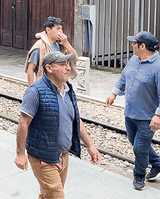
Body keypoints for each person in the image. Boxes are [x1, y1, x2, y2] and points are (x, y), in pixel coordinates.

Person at [15, 51, 101, 198]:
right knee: (56, 195)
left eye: (68, 64)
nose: (68, 68)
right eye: (62, 64)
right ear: (49, 68)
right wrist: (20, 154)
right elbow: (24, 123)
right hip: (43, 158)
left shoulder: (68, 90)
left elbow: (75, 119)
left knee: (47, 195)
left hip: (63, 157)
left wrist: (90, 145)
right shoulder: (35, 91)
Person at [105, 31, 160, 190]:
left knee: (139, 148)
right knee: (134, 141)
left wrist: (159, 115)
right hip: (130, 113)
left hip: (147, 117)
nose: (132, 45)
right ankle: (158, 164)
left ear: (142, 46)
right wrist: (114, 93)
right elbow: (124, 77)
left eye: (134, 43)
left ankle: (139, 176)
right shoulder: (134, 60)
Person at [25, 16, 78, 86]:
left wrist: (66, 43)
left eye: (61, 29)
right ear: (48, 30)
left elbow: (75, 58)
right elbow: (30, 69)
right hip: (44, 84)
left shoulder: (61, 45)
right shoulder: (39, 46)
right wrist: (31, 88)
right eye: (58, 29)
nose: (61, 32)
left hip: (60, 83)